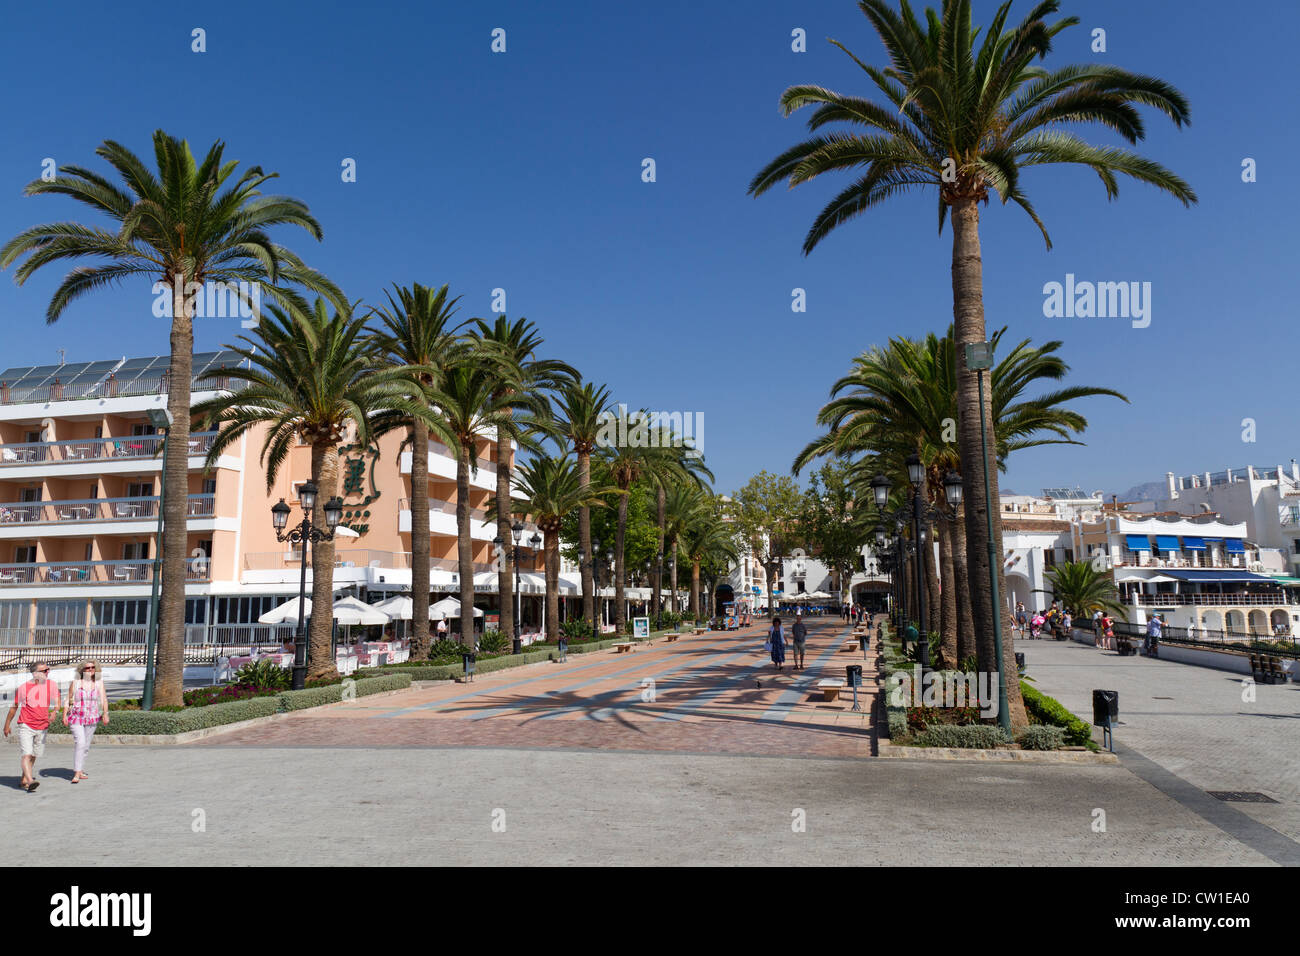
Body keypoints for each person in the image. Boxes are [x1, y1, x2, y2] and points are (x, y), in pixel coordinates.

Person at [4, 661, 61, 792]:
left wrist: (55, 711)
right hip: (26, 725)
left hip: (42, 726)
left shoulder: (51, 685)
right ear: (35, 674)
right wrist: (7, 725)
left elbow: (57, 702)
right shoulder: (24, 688)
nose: (48, 672)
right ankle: (30, 781)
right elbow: (14, 707)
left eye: (48, 670)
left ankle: (24, 778)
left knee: (34, 754)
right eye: (44, 671)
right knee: (26, 754)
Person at [65, 660, 109, 783]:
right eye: (87, 668)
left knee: (86, 745)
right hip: (76, 716)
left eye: (92, 667)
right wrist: (64, 714)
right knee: (80, 742)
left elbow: (104, 699)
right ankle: (77, 773)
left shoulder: (99, 683)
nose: (90, 670)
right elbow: (68, 699)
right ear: (82, 670)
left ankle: (80, 769)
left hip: (92, 716)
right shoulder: (76, 682)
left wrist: (105, 713)